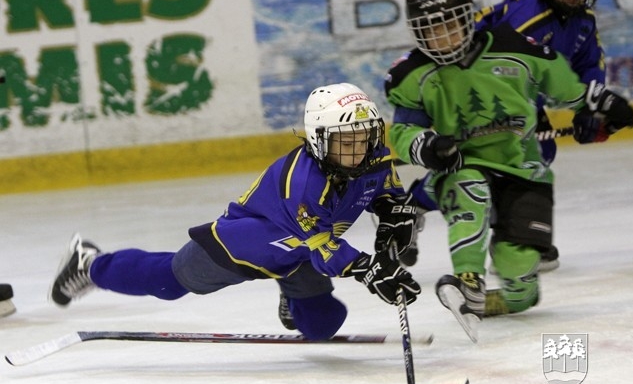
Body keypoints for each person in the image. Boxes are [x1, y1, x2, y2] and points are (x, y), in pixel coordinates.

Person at [50, 83, 421, 341]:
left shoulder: (373, 159)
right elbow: (325, 249)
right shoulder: (302, 184)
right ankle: (90, 264)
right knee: (169, 282)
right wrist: (369, 269)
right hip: (245, 246)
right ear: (319, 140)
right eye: (346, 141)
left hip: (297, 253)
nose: (358, 150)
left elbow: (385, 189)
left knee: (324, 325)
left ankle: (288, 287)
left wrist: (393, 215)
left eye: (364, 136)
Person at [386, 0, 633, 342]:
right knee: (469, 191)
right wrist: (426, 145)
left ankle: (509, 296)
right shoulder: (412, 74)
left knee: (520, 270)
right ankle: (468, 279)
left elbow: (568, 89)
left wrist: (601, 104)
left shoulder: (517, 49)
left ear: (467, 18)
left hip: (522, 169)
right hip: (461, 166)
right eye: (431, 31)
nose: (442, 39)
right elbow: (404, 131)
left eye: (449, 26)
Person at [401, 0, 605, 272]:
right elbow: (492, 64)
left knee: (532, 155)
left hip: (518, 98)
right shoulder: (528, 16)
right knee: (489, 159)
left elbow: (589, 66)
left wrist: (588, 109)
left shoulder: (584, 22)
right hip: (473, 92)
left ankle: (504, 231)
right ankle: (495, 230)